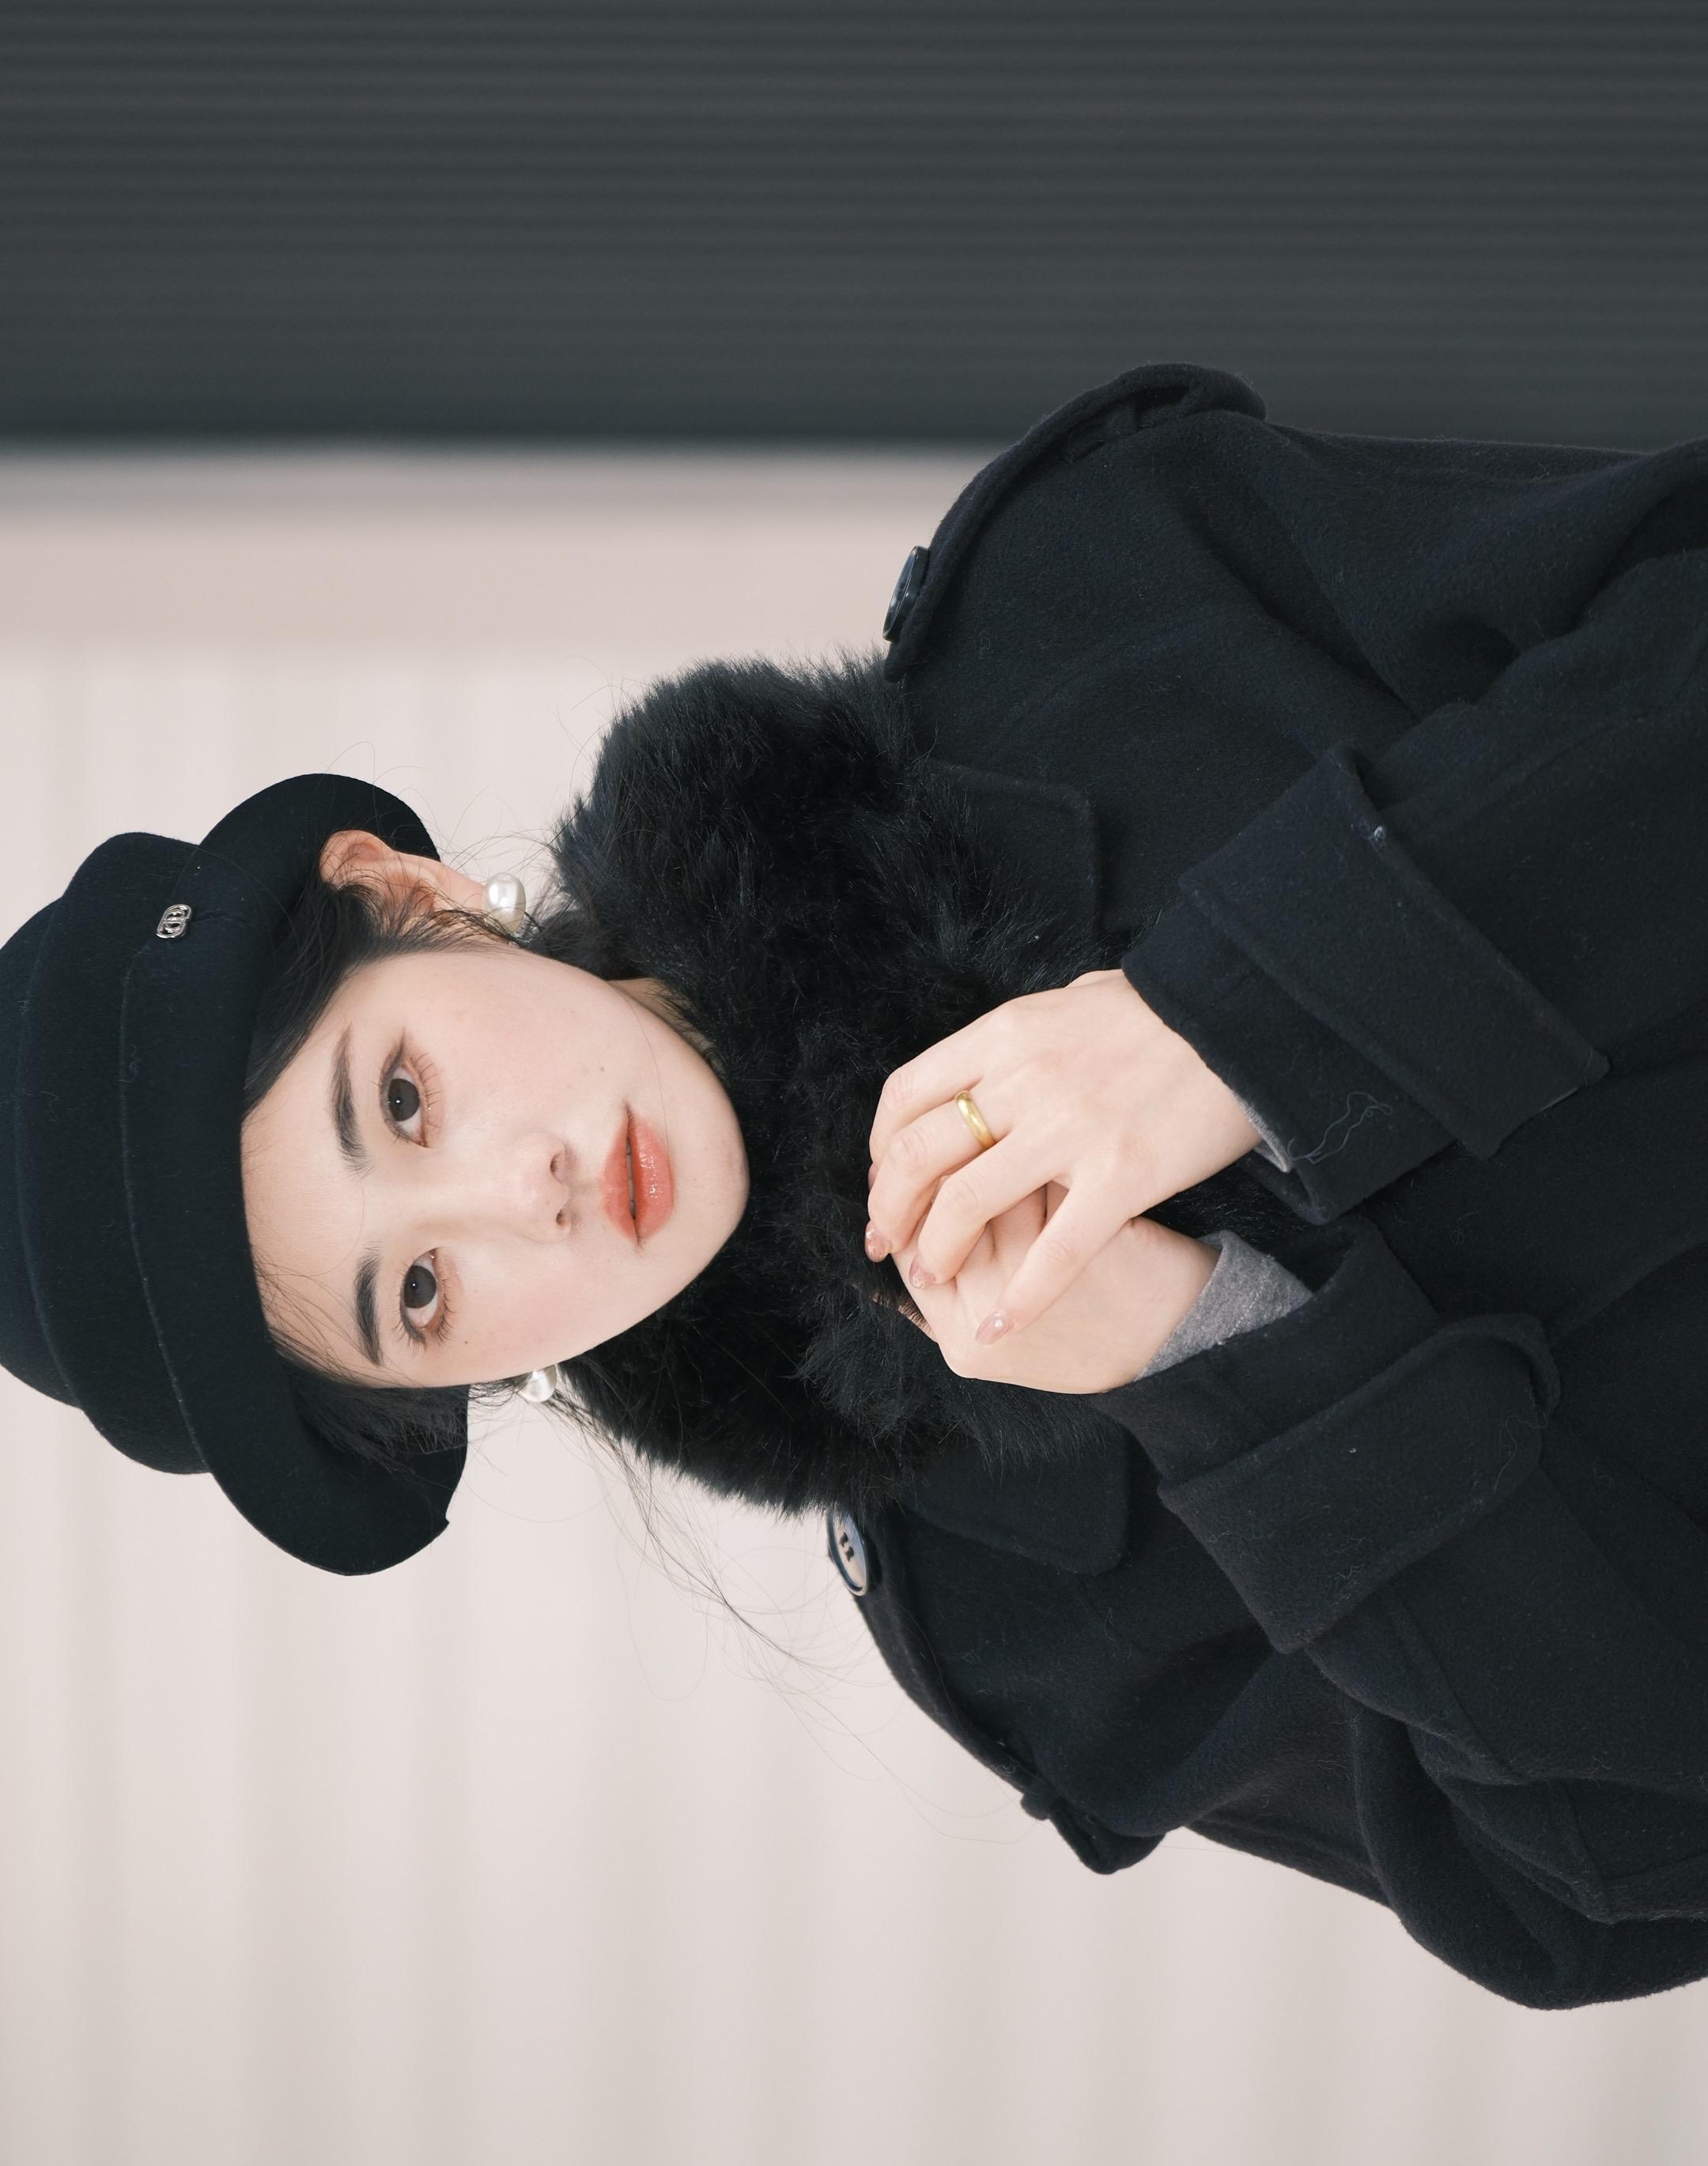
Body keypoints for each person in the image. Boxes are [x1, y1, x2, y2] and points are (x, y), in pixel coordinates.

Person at [4, 357, 1707, 2014]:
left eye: (401, 1098)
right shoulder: (1034, 1626)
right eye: (422, 1295)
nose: (525, 1198)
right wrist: (1214, 1357)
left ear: (408, 893)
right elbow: (1626, 1871)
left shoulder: (1077, 603)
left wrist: (1237, 1027)